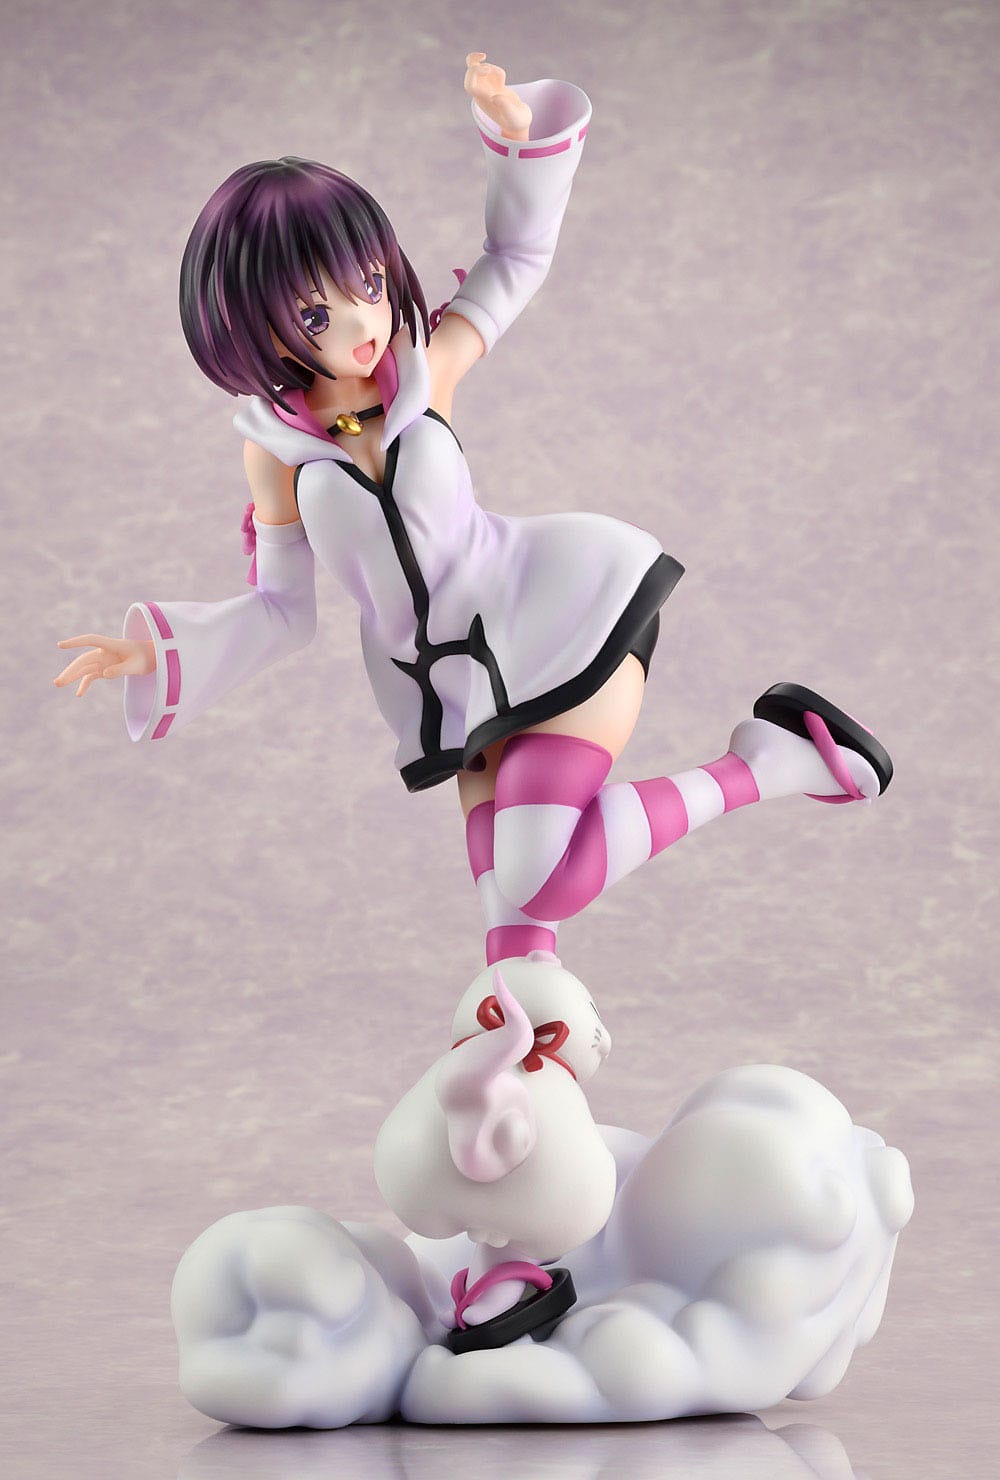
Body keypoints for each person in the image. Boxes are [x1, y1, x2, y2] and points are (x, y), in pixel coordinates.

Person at [54, 54, 892, 965]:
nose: (362, 322)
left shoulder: (428, 371)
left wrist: (516, 144)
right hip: (446, 688)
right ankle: (524, 1038)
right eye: (315, 314)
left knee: (540, 877)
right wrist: (160, 651)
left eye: (369, 285)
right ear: (251, 324)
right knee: (514, 917)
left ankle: (765, 764)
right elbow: (283, 612)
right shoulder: (274, 451)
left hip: (548, 619)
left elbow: (516, 259)